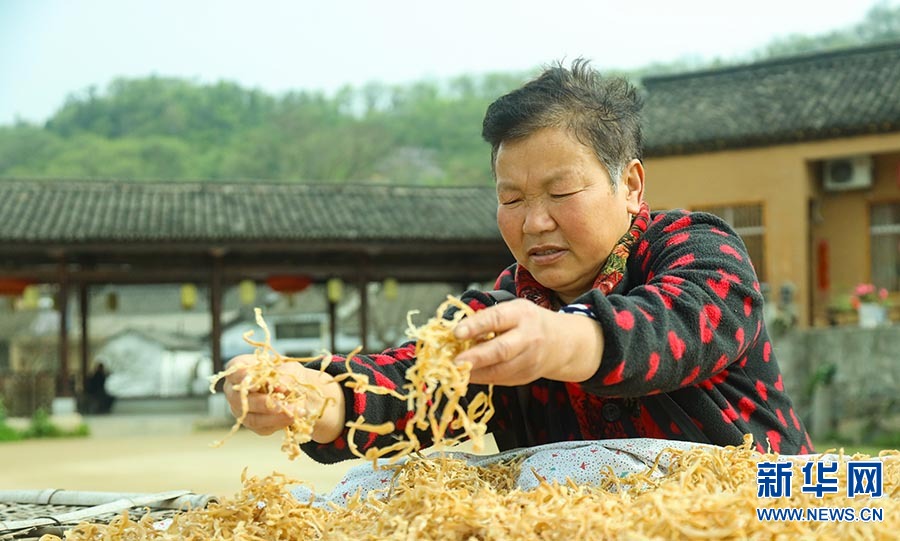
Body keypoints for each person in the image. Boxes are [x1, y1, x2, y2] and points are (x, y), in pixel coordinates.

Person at [224, 60, 812, 462]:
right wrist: (320, 399)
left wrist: (559, 340)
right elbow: (414, 383)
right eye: (511, 198)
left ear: (630, 185)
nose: (534, 222)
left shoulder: (697, 249)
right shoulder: (505, 307)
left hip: (775, 504)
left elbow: (671, 329)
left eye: (561, 193)